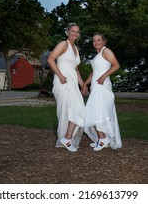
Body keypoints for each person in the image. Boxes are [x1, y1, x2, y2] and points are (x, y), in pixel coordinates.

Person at [47, 23, 86, 152]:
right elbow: (51, 59)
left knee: (79, 109)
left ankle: (67, 138)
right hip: (62, 82)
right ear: (67, 32)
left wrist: (82, 84)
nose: (75, 33)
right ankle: (66, 138)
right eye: (73, 31)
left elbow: (76, 68)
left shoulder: (76, 48)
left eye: (77, 32)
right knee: (67, 110)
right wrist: (61, 76)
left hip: (73, 82)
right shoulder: (63, 44)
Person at [82, 32, 122, 151]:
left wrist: (104, 76)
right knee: (95, 112)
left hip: (103, 87)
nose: (96, 42)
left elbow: (116, 65)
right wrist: (85, 83)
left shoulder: (106, 51)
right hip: (95, 87)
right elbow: (93, 72)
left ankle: (103, 138)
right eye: (94, 41)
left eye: (99, 40)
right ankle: (103, 138)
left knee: (97, 112)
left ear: (104, 41)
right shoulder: (97, 55)